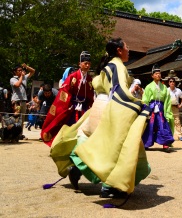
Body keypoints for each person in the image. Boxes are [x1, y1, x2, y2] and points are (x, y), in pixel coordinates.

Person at [48, 37, 152, 200]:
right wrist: (139, 105)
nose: (129, 49)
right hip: (109, 108)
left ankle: (77, 166)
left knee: (96, 142)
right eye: (127, 46)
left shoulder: (108, 66)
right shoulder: (118, 66)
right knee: (118, 147)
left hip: (98, 105)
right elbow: (120, 91)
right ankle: (110, 185)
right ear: (119, 50)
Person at [41, 52, 95, 146]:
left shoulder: (90, 79)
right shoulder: (72, 77)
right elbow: (64, 92)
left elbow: (90, 95)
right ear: (80, 64)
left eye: (89, 64)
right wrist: (67, 105)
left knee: (83, 127)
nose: (87, 66)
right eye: (85, 63)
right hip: (72, 107)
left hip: (84, 108)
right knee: (68, 126)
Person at [142, 65, 174, 150]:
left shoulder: (164, 87)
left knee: (163, 125)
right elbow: (145, 99)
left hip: (161, 109)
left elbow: (167, 100)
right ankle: (146, 143)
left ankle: (165, 143)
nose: (158, 75)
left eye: (159, 74)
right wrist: (147, 110)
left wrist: (167, 111)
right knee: (150, 126)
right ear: (152, 76)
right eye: (156, 74)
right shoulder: (148, 87)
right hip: (152, 109)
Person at [10, 63, 35, 138]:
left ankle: (19, 134)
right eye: (19, 70)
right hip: (16, 101)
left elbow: (33, 71)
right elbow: (17, 85)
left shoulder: (24, 77)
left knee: (22, 118)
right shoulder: (12, 79)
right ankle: (13, 134)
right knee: (16, 118)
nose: (21, 71)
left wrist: (26, 67)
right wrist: (21, 76)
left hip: (24, 101)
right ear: (15, 72)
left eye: (21, 70)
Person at [167, 70, 182, 141]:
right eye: (170, 81)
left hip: (175, 107)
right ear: (168, 83)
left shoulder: (178, 90)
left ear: (175, 83)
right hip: (168, 107)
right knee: (168, 121)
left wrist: (181, 104)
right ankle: (170, 135)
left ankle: (180, 135)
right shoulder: (166, 90)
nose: (172, 83)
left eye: (173, 81)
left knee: (177, 121)